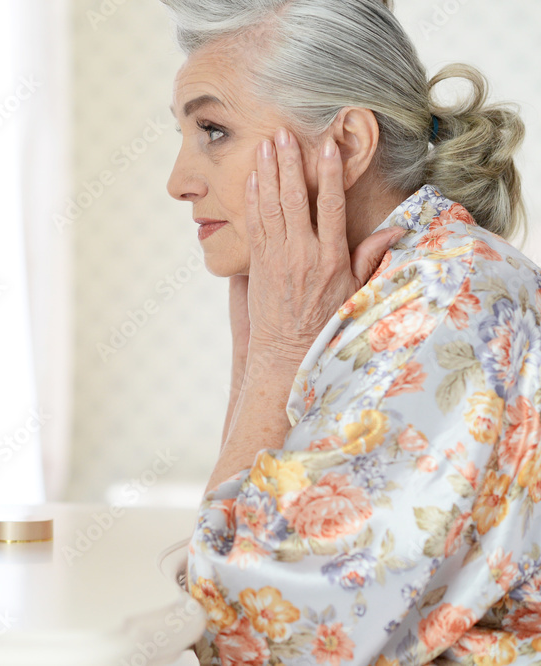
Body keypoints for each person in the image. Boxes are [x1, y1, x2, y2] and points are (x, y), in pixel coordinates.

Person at [162, 0, 540, 663]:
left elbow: (238, 636)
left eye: (214, 130)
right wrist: (263, 346)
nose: (179, 181)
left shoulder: (445, 299)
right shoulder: (401, 287)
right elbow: (225, 566)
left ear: (346, 144)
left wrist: (276, 357)